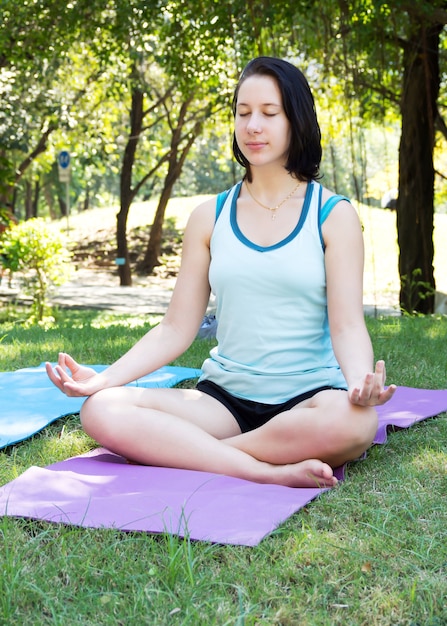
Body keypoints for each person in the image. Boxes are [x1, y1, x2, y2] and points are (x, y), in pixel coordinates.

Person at [46, 57, 396, 489]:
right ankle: (262, 467)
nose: (252, 126)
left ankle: (193, 452)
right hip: (222, 402)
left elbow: (346, 325)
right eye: (243, 112)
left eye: (269, 113)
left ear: (296, 121)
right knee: (101, 409)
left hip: (309, 398)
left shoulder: (332, 214)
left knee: (355, 424)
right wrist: (103, 379)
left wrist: (361, 381)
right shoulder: (209, 216)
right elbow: (176, 327)